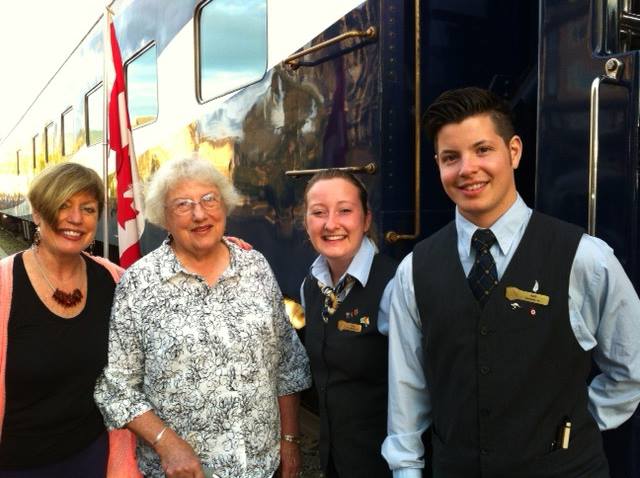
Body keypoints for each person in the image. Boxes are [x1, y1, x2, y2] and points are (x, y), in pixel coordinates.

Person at [381, 87, 640, 477]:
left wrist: (573, 426)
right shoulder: (414, 271)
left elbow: (631, 370)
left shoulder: (585, 259)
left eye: (483, 150)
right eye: (451, 157)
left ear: (513, 151)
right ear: (438, 165)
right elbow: (408, 388)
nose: (467, 168)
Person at [94, 155, 312, 478]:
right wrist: (166, 443)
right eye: (183, 205)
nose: (199, 214)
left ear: (224, 205)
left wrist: (290, 441)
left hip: (262, 468)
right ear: (164, 217)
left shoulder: (255, 268)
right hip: (183, 473)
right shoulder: (140, 284)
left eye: (209, 199)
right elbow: (117, 389)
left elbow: (287, 364)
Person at [0, 163, 138, 477]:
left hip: (93, 457)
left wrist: (217, 249)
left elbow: (166, 299)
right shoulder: (4, 285)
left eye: (87, 208)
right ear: (37, 214)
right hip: (15, 464)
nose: (75, 219)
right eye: (62, 205)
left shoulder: (113, 280)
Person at [301, 170, 396, 477]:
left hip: (383, 464)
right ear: (306, 222)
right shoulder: (311, 286)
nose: (331, 224)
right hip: (335, 460)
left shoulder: (394, 285)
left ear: (366, 220)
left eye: (345, 210)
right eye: (318, 213)